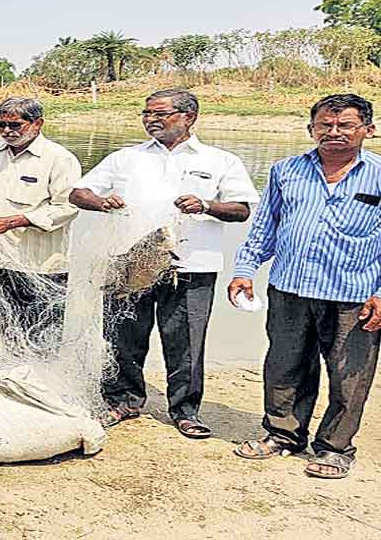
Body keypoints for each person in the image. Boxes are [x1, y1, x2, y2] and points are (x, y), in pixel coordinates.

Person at [230, 93, 381, 479]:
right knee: (284, 366)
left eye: (346, 125)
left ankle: (335, 447)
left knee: (349, 376)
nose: (334, 132)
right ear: (311, 129)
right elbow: (265, 227)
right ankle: (283, 434)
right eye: (325, 125)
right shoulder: (286, 170)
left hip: (354, 296)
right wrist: (245, 268)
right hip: (289, 288)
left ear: (368, 130)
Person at [69, 89, 258, 438]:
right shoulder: (126, 157)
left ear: (189, 117)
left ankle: (185, 411)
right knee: (122, 336)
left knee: (186, 341)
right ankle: (122, 400)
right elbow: (78, 193)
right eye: (146, 113)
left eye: (160, 113)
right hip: (128, 262)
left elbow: (241, 209)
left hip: (191, 266)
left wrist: (206, 205)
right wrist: (100, 202)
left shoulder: (221, 160)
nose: (150, 119)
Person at [0, 97, 81, 351]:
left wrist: (15, 221)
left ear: (38, 124)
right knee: (10, 325)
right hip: (4, 261)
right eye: (0, 125)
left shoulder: (59, 158)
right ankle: (15, 377)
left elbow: (68, 206)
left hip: (45, 264)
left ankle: (44, 383)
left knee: (45, 331)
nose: (6, 131)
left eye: (14, 125)